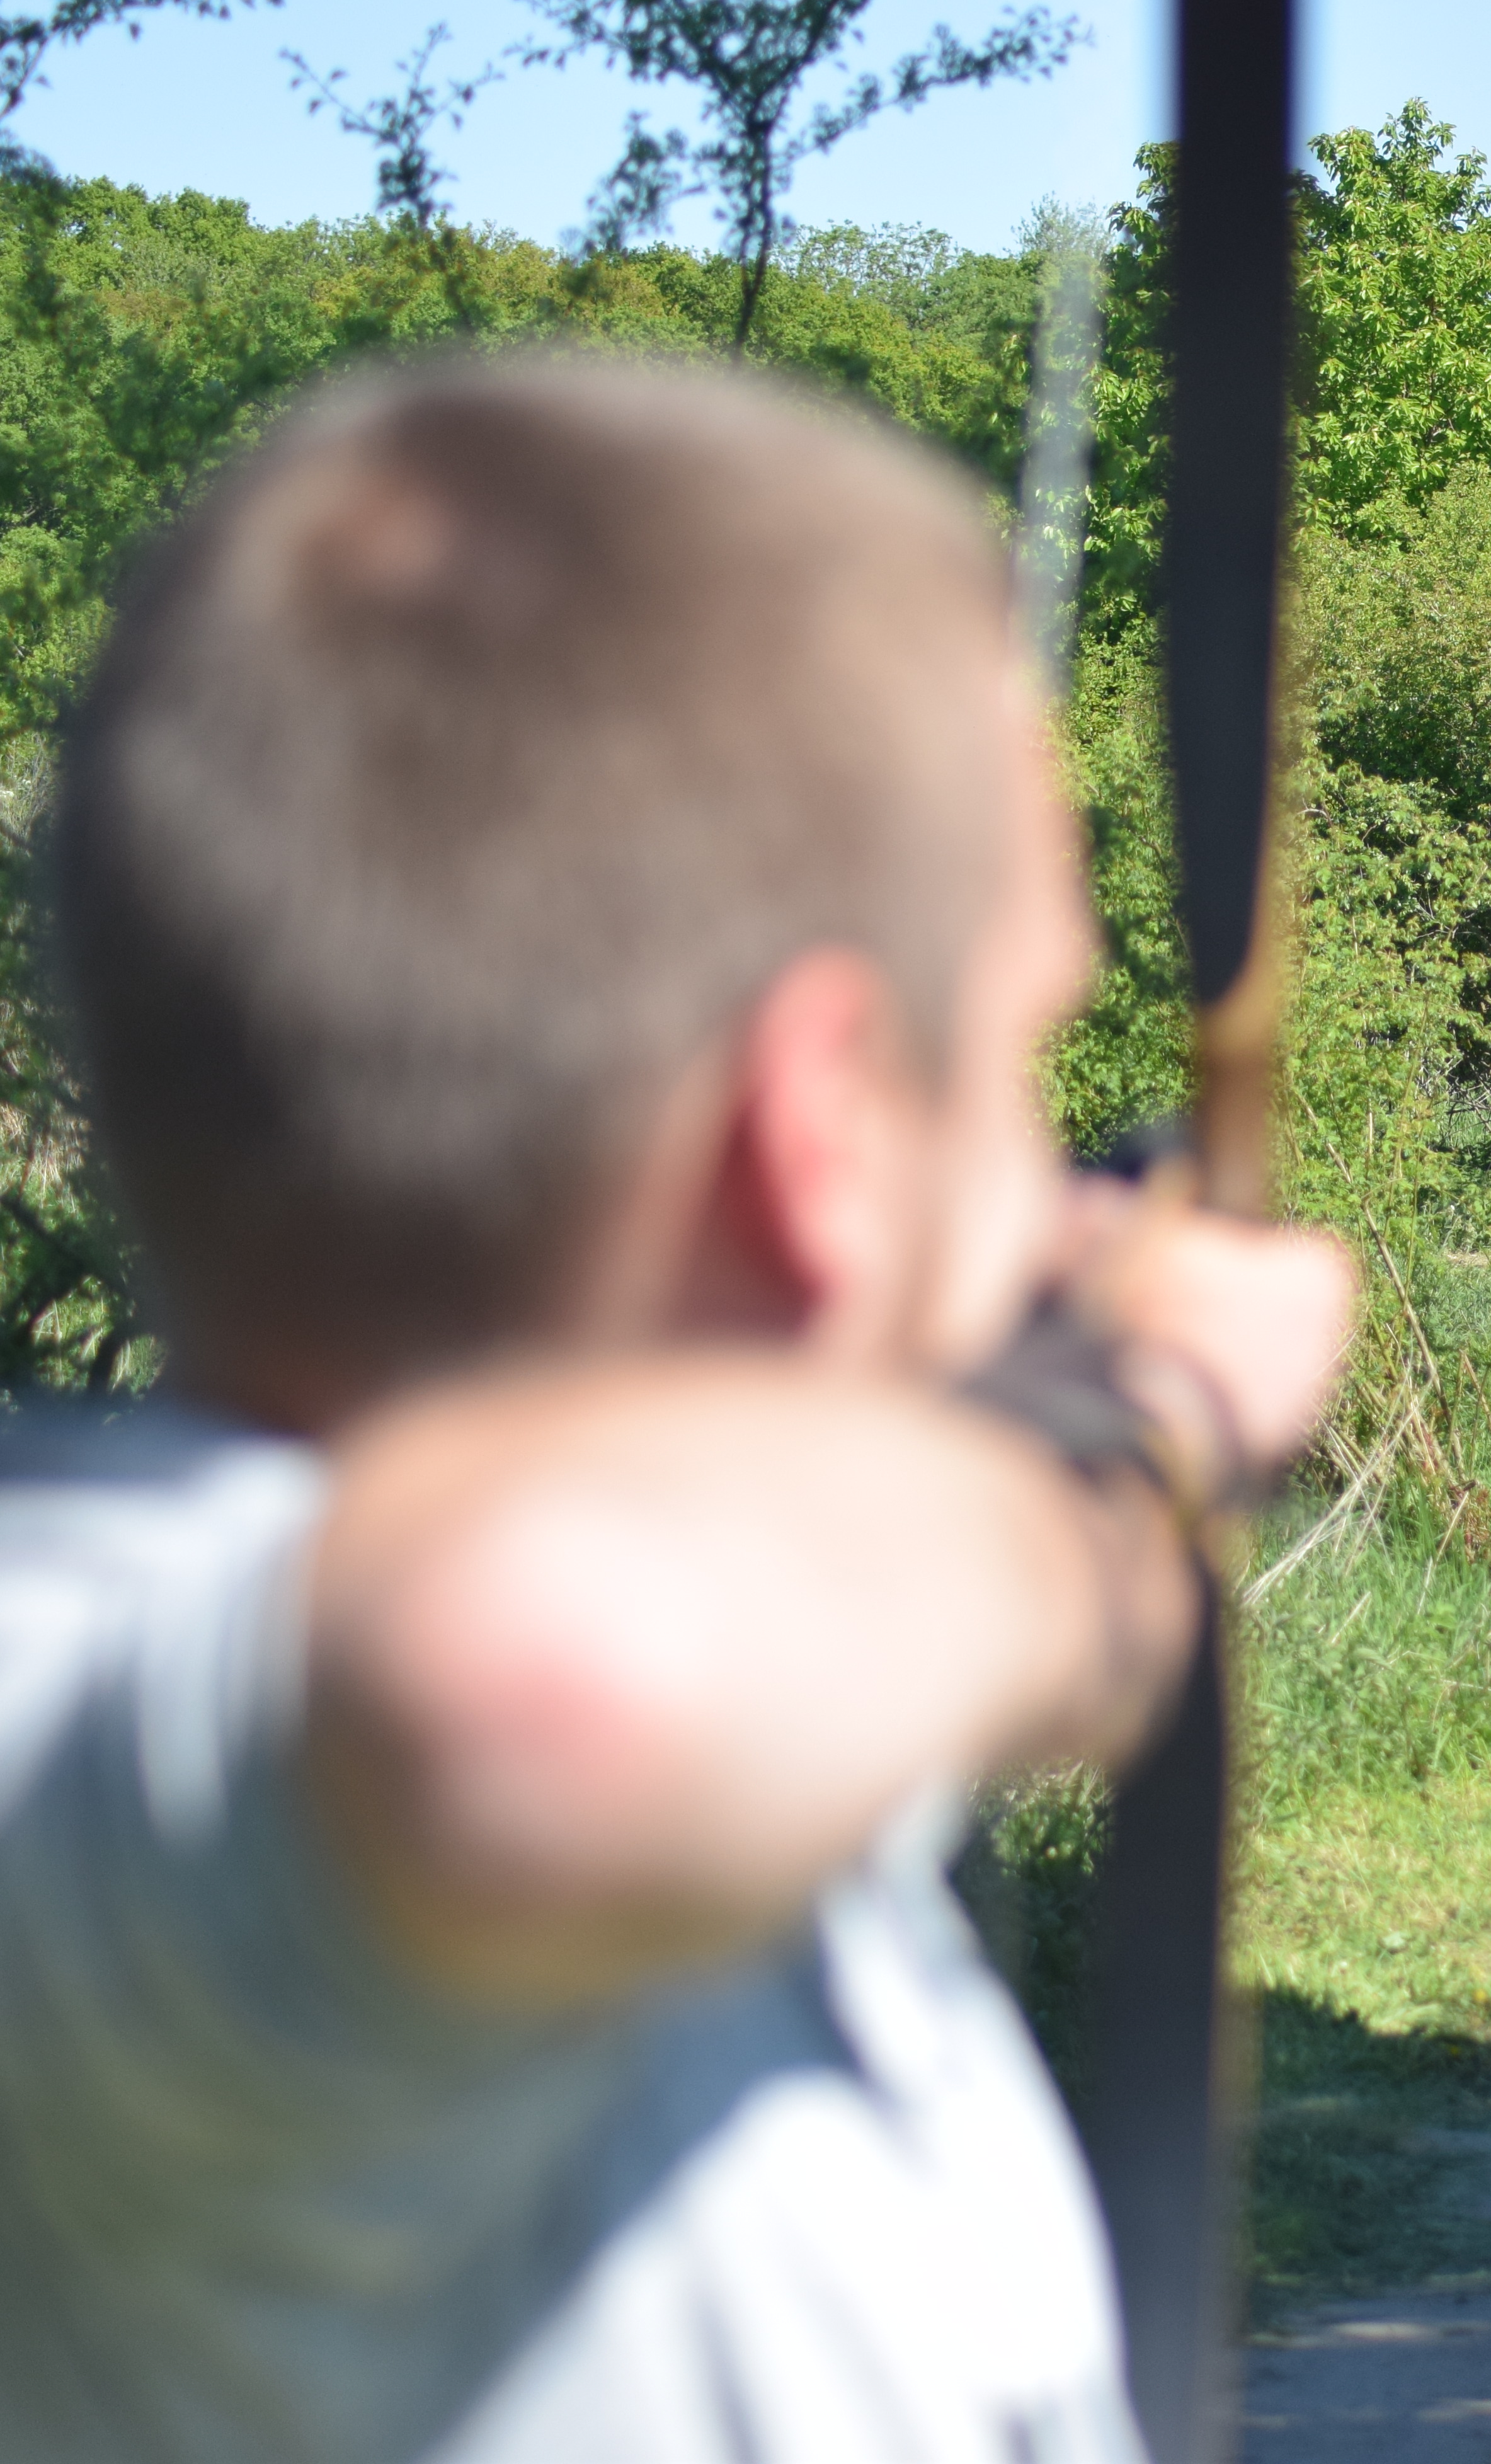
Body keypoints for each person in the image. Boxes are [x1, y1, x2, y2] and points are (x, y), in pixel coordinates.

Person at [0, 355, 1353, 2460]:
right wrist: (1139, 1429)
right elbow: (555, 1671)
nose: (1054, 1173)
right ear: (819, 1144)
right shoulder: (102, 1720)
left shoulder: (734, 1642)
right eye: (1019, 1058)